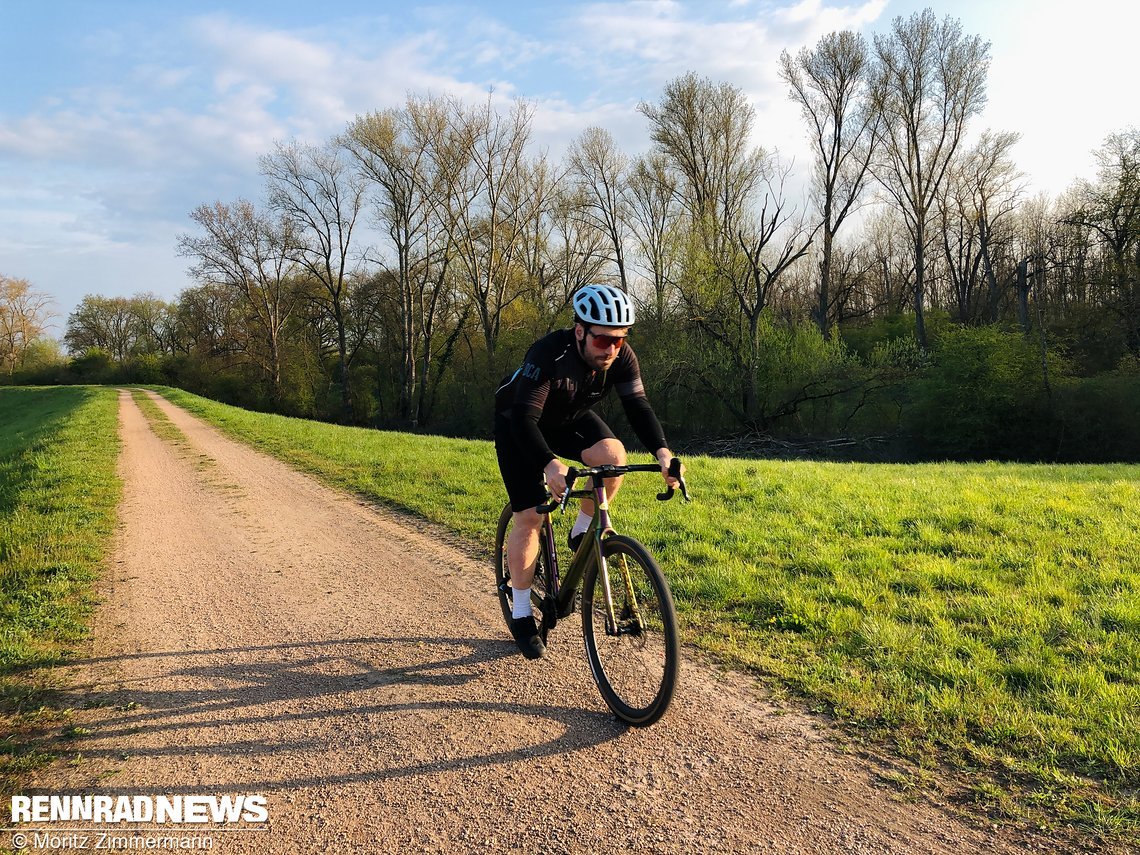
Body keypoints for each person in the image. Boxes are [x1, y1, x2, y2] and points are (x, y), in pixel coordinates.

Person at [493, 284, 682, 659]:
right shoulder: (548, 354)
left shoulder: (622, 357)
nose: (611, 349)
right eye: (603, 341)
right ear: (580, 331)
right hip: (519, 423)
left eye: (619, 340)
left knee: (613, 454)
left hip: (568, 420)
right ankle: (519, 611)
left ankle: (581, 532)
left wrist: (663, 454)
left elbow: (638, 407)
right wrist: (549, 465)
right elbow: (526, 419)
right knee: (530, 515)